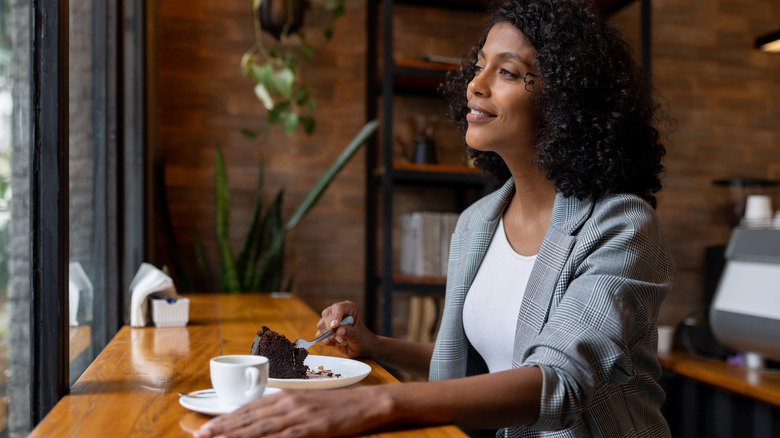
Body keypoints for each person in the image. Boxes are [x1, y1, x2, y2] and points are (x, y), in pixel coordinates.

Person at [196, 0, 674, 436]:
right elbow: (476, 368)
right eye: (479, 64)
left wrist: (373, 405)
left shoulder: (621, 225)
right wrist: (377, 345)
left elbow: (558, 383)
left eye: (506, 72)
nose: (476, 83)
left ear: (569, 99)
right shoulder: (475, 224)